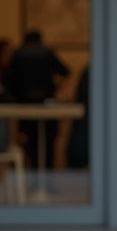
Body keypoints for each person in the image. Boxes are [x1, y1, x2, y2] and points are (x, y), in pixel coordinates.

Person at [5, 30, 70, 170]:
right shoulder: (47, 52)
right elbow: (65, 71)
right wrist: (56, 85)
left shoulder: (18, 54)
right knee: (48, 144)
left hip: (25, 107)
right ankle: (47, 181)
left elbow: (9, 81)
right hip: (47, 104)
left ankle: (31, 180)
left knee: (29, 144)